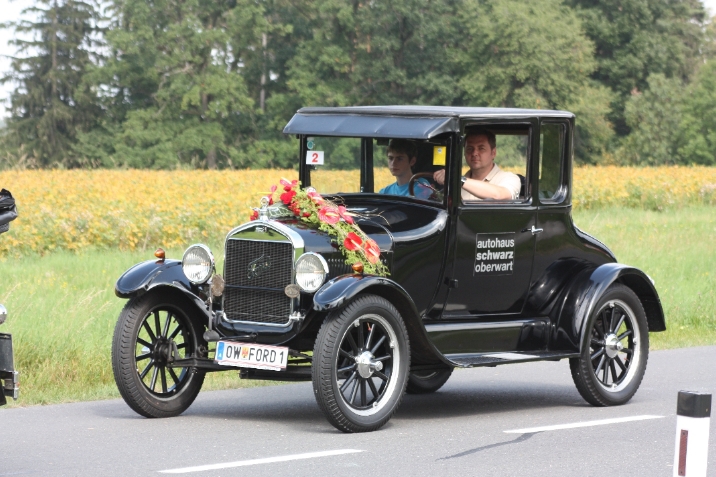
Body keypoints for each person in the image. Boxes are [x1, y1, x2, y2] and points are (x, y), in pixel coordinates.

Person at [433, 129, 521, 201]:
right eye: (470, 148)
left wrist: (456, 179)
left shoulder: (509, 178)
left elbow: (499, 195)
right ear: (464, 153)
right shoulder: (456, 185)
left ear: (493, 153)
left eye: (481, 148)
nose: (474, 153)